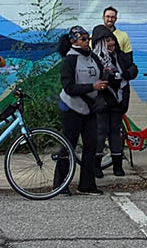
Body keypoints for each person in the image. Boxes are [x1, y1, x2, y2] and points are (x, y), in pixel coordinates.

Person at [57, 25, 107, 195]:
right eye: (83, 39)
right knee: (68, 145)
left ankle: (87, 184)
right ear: (73, 41)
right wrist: (91, 86)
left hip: (90, 107)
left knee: (91, 145)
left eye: (88, 39)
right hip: (72, 107)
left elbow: (99, 73)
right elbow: (69, 87)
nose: (87, 42)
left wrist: (106, 75)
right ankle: (60, 184)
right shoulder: (70, 60)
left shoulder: (93, 57)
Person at [92, 25, 137, 177]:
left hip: (119, 100)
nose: (110, 44)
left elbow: (133, 68)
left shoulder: (121, 56)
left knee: (115, 132)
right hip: (102, 101)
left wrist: (124, 74)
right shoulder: (94, 59)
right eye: (106, 41)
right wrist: (107, 76)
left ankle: (118, 166)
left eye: (111, 40)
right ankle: (96, 166)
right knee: (101, 132)